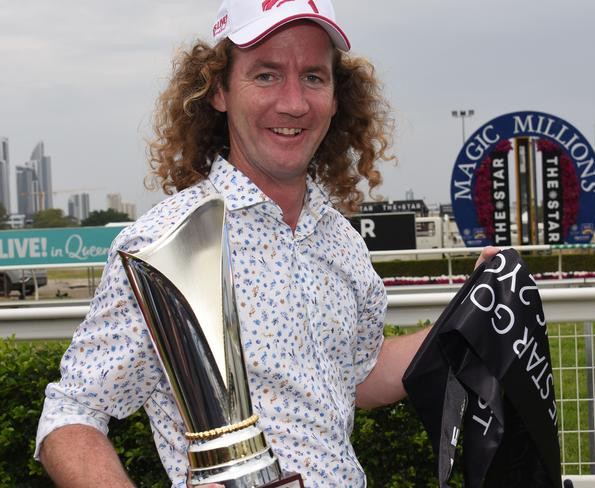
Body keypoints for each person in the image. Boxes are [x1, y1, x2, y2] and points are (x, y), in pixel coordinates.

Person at [35, 0, 497, 486]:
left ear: (337, 97)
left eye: (314, 77)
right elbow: (73, 412)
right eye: (267, 75)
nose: (294, 102)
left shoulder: (340, 240)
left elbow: (357, 375)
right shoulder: (165, 244)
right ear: (219, 91)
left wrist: (471, 312)